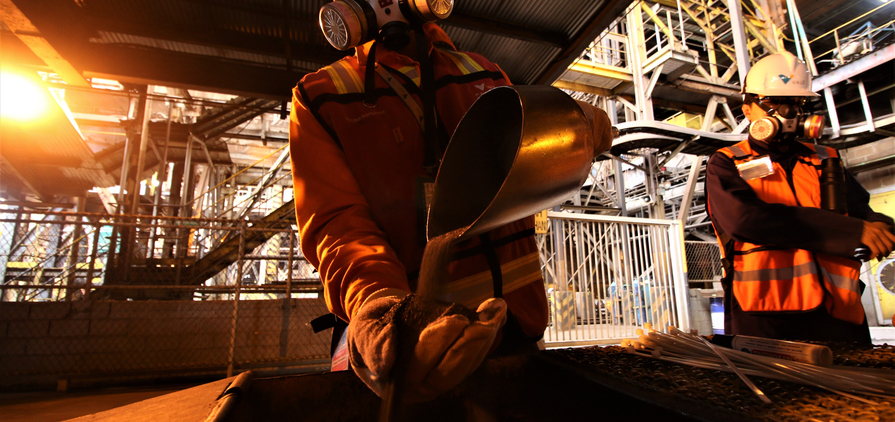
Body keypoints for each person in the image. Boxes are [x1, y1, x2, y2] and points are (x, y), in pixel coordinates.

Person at [290, 0, 613, 403]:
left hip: (516, 329)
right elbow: (336, 222)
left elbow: (520, 143)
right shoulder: (321, 96)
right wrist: (378, 303)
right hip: (419, 347)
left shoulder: (481, 71)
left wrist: (569, 122)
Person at [706, 51, 895, 344]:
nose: (786, 112)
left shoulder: (825, 159)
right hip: (765, 316)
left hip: (838, 314)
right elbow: (747, 221)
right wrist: (853, 232)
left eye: (795, 102)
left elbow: (861, 211)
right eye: (772, 102)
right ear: (748, 109)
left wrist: (881, 229)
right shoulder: (728, 161)